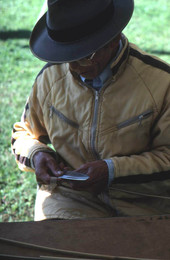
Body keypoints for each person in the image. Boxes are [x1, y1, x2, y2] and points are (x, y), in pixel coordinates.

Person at [12, 0, 170, 221]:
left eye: (85, 55)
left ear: (113, 39)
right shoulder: (50, 77)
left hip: (142, 202)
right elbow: (23, 133)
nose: (72, 67)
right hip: (70, 199)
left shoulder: (161, 82)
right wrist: (36, 155)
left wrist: (112, 171)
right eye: (66, 55)